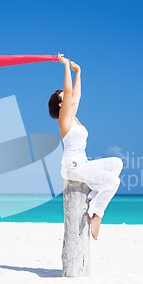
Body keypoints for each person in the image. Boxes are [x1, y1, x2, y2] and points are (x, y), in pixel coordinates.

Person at [48, 54, 123, 240]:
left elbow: (77, 93)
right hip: (72, 166)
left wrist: (78, 71)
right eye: (65, 96)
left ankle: (93, 198)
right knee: (114, 182)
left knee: (116, 163)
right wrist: (65, 66)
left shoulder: (73, 117)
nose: (70, 95)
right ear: (60, 104)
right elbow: (68, 89)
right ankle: (97, 214)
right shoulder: (64, 119)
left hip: (83, 163)